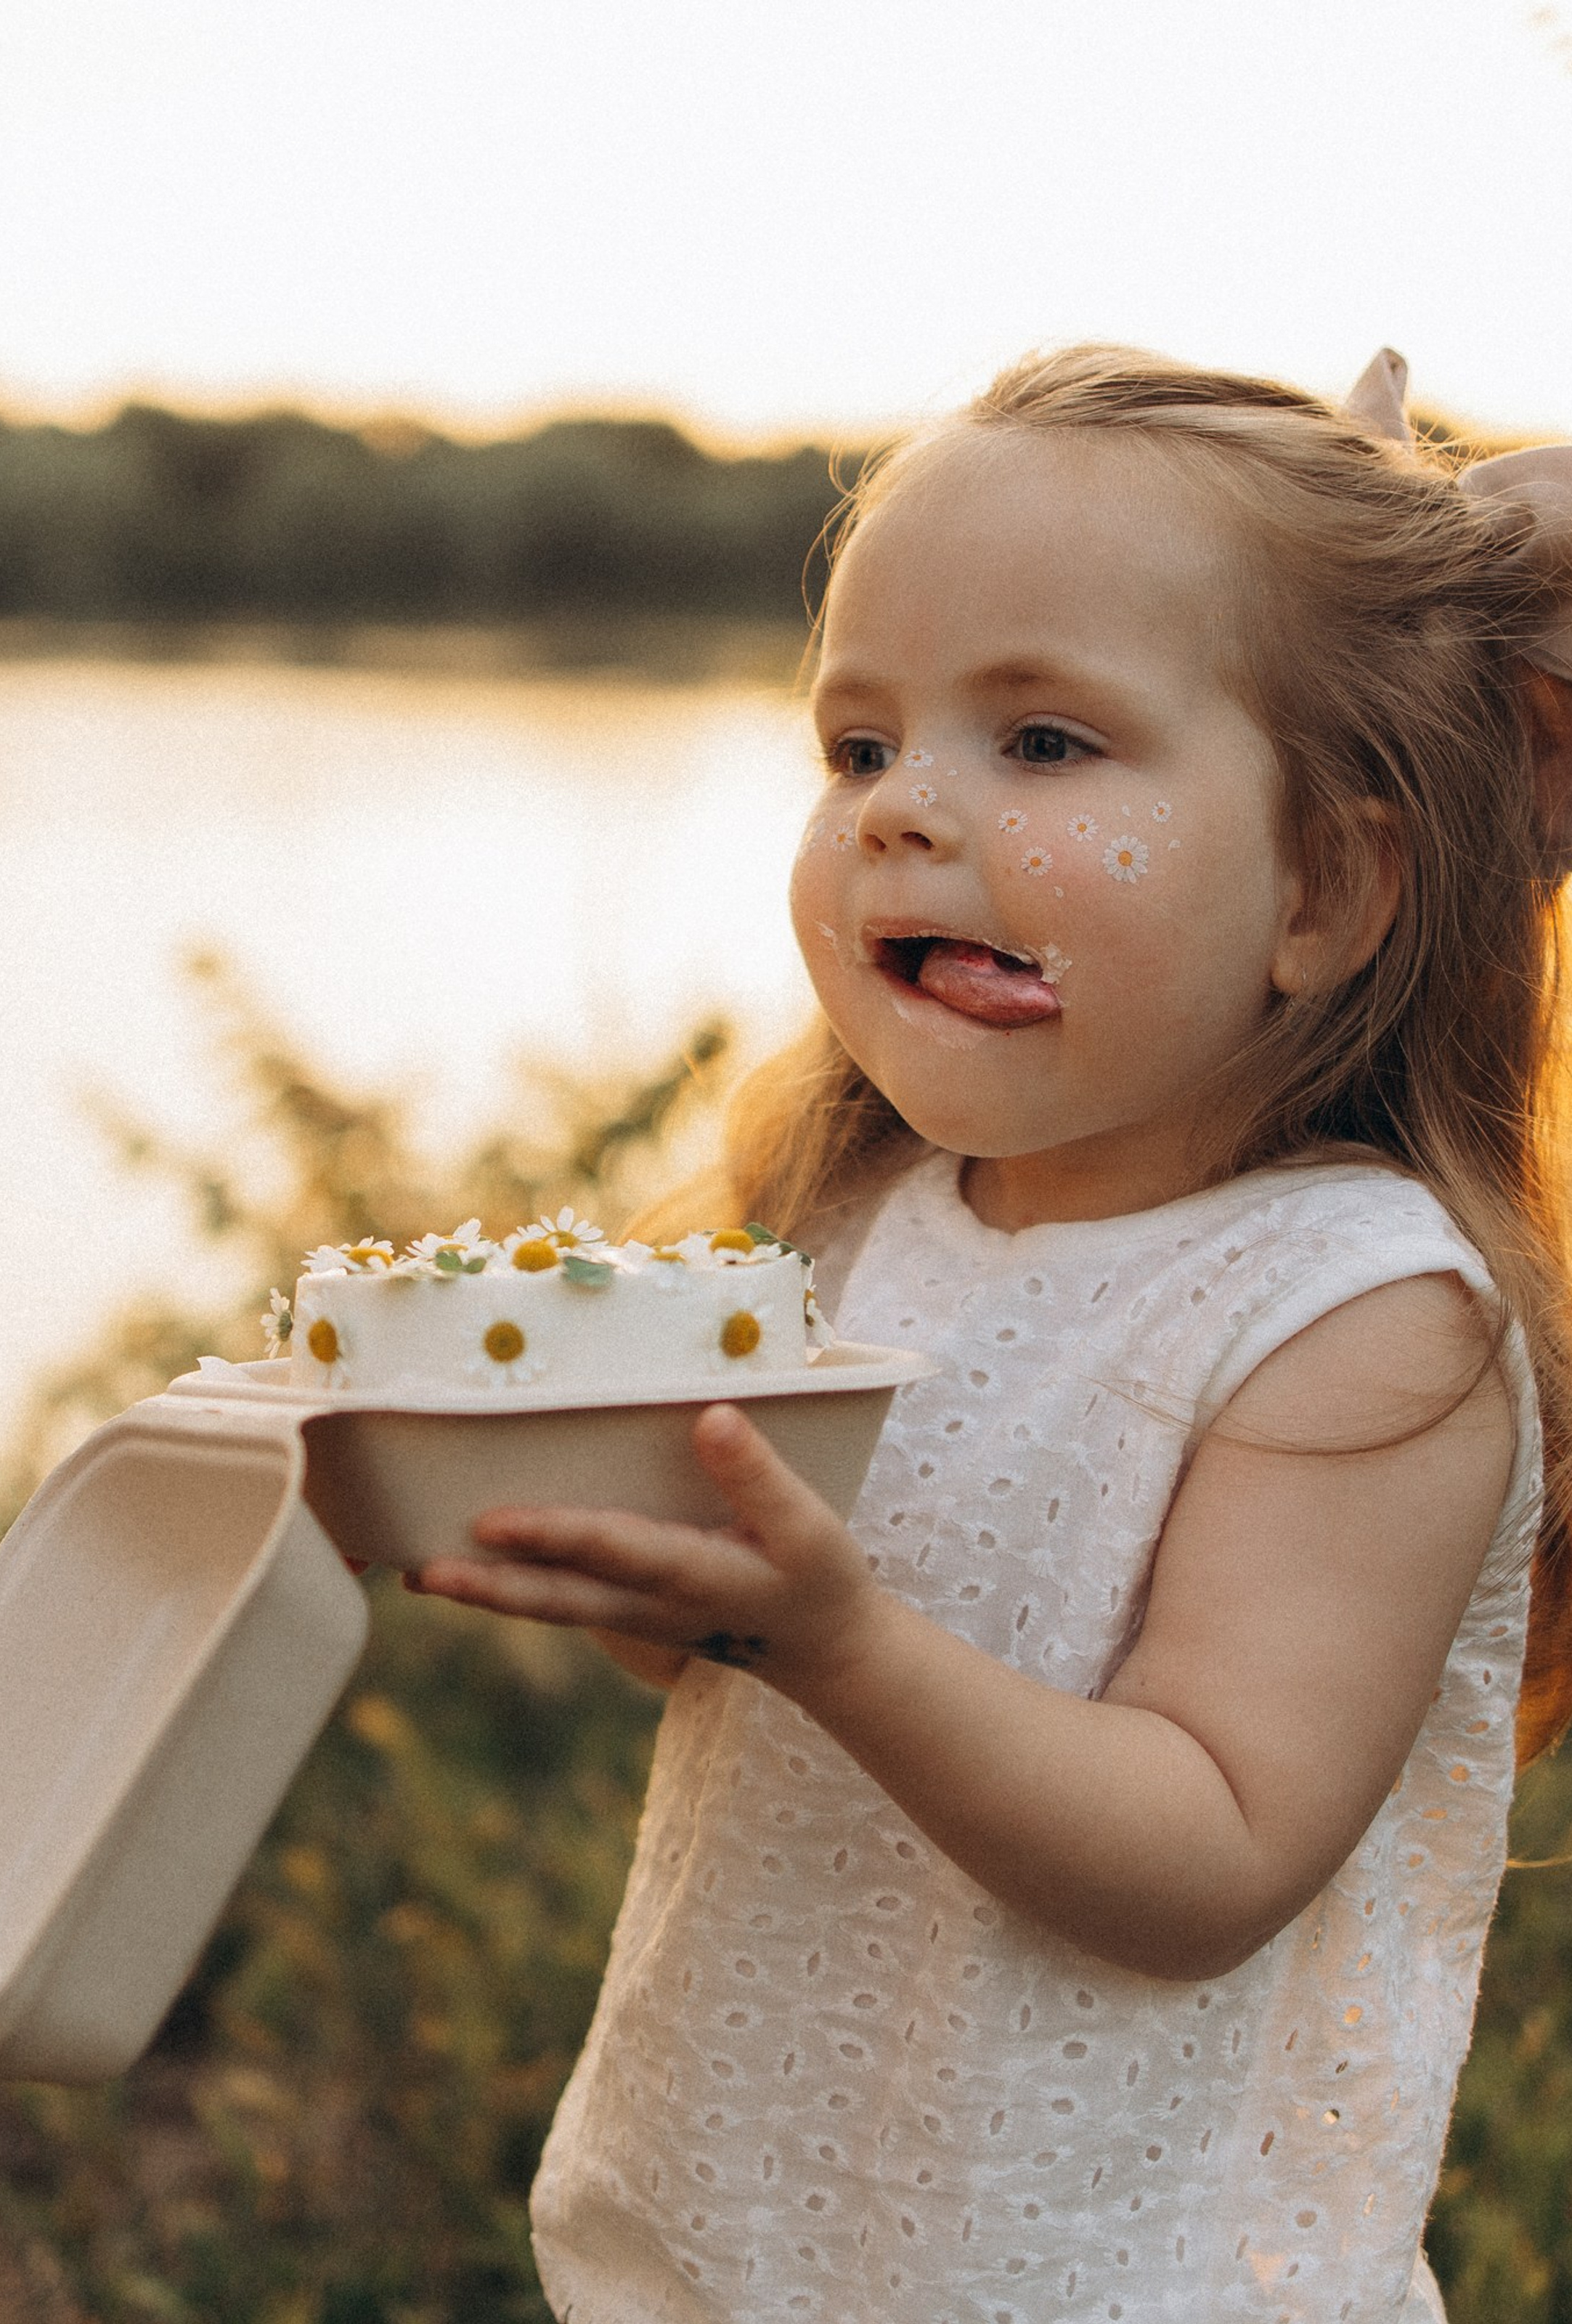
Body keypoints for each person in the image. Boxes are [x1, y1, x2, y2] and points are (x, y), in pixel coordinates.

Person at [410, 345, 1572, 2322]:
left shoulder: (1364, 1320)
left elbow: (1208, 1849)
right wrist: (604, 1541)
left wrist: (827, 1633)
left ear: (1332, 877)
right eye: (857, 748)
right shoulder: (868, 1220)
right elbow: (701, 1645)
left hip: (1119, 2275)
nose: (898, 813)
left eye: (1041, 742)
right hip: (750, 2238)